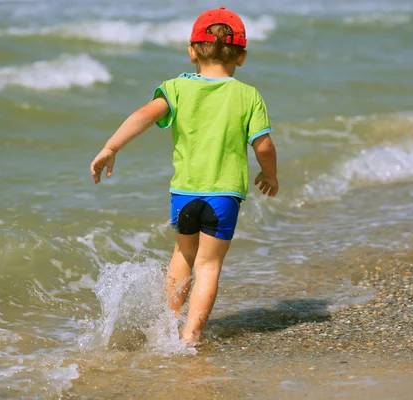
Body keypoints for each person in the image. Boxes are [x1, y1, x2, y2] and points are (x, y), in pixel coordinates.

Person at [90, 7, 278, 347]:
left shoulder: (175, 88)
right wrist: (270, 174)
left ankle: (167, 324)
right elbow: (263, 145)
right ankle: (190, 334)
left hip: (184, 194)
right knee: (208, 266)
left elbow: (143, 116)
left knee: (183, 256)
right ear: (242, 56)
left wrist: (110, 147)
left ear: (192, 51)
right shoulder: (249, 96)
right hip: (223, 197)